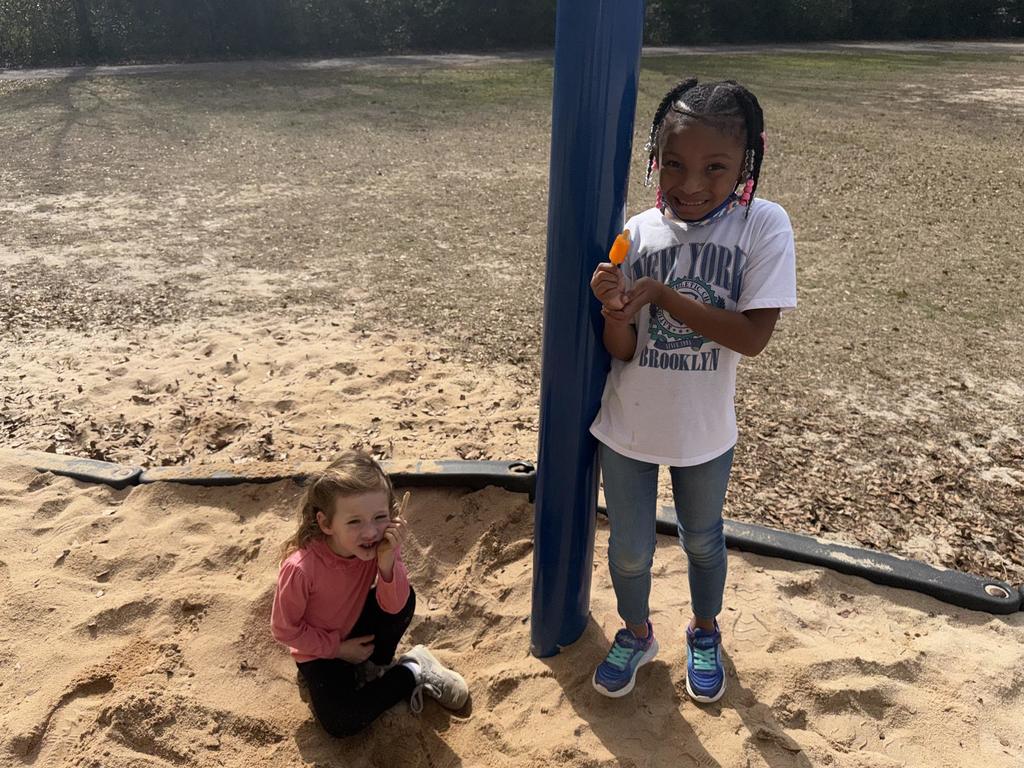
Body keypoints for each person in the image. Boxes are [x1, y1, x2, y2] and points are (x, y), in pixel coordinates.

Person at [588, 78, 796, 704]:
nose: (691, 184)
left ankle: (704, 631)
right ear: (655, 155)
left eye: (715, 167)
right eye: (674, 163)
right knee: (629, 550)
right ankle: (636, 633)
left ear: (746, 163)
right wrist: (615, 311)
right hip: (627, 423)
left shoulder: (762, 225)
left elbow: (752, 337)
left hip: (703, 431)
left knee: (703, 539)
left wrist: (663, 295)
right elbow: (623, 350)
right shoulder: (638, 231)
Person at [271, 450, 468, 737]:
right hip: (319, 649)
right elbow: (285, 631)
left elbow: (395, 606)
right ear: (326, 524)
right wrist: (339, 649)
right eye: (354, 522)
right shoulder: (300, 569)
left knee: (404, 599)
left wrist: (387, 561)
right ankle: (411, 671)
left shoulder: (380, 545)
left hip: (356, 628)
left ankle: (380, 666)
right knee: (341, 722)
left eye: (379, 517)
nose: (370, 532)